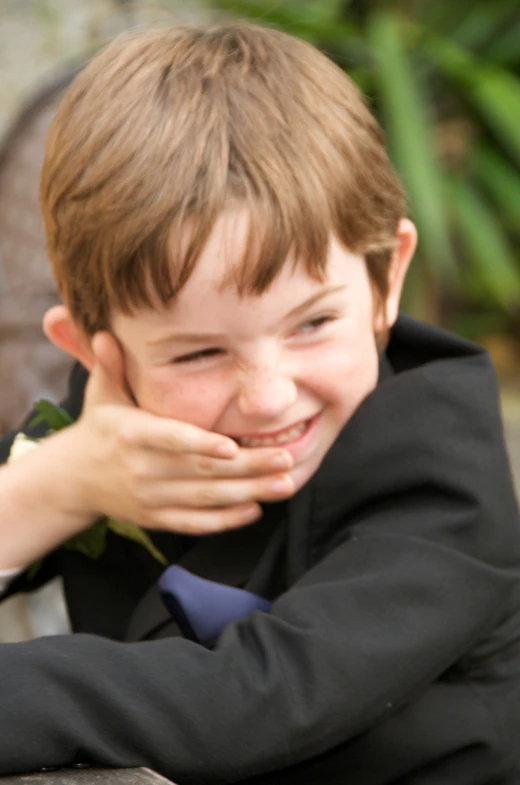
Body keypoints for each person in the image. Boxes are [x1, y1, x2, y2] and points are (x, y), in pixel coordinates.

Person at [0, 20, 519, 785]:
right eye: (201, 352)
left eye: (313, 323)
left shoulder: (438, 478)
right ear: (96, 351)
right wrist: (61, 482)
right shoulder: (115, 426)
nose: (270, 395)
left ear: (386, 280)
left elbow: (261, 692)